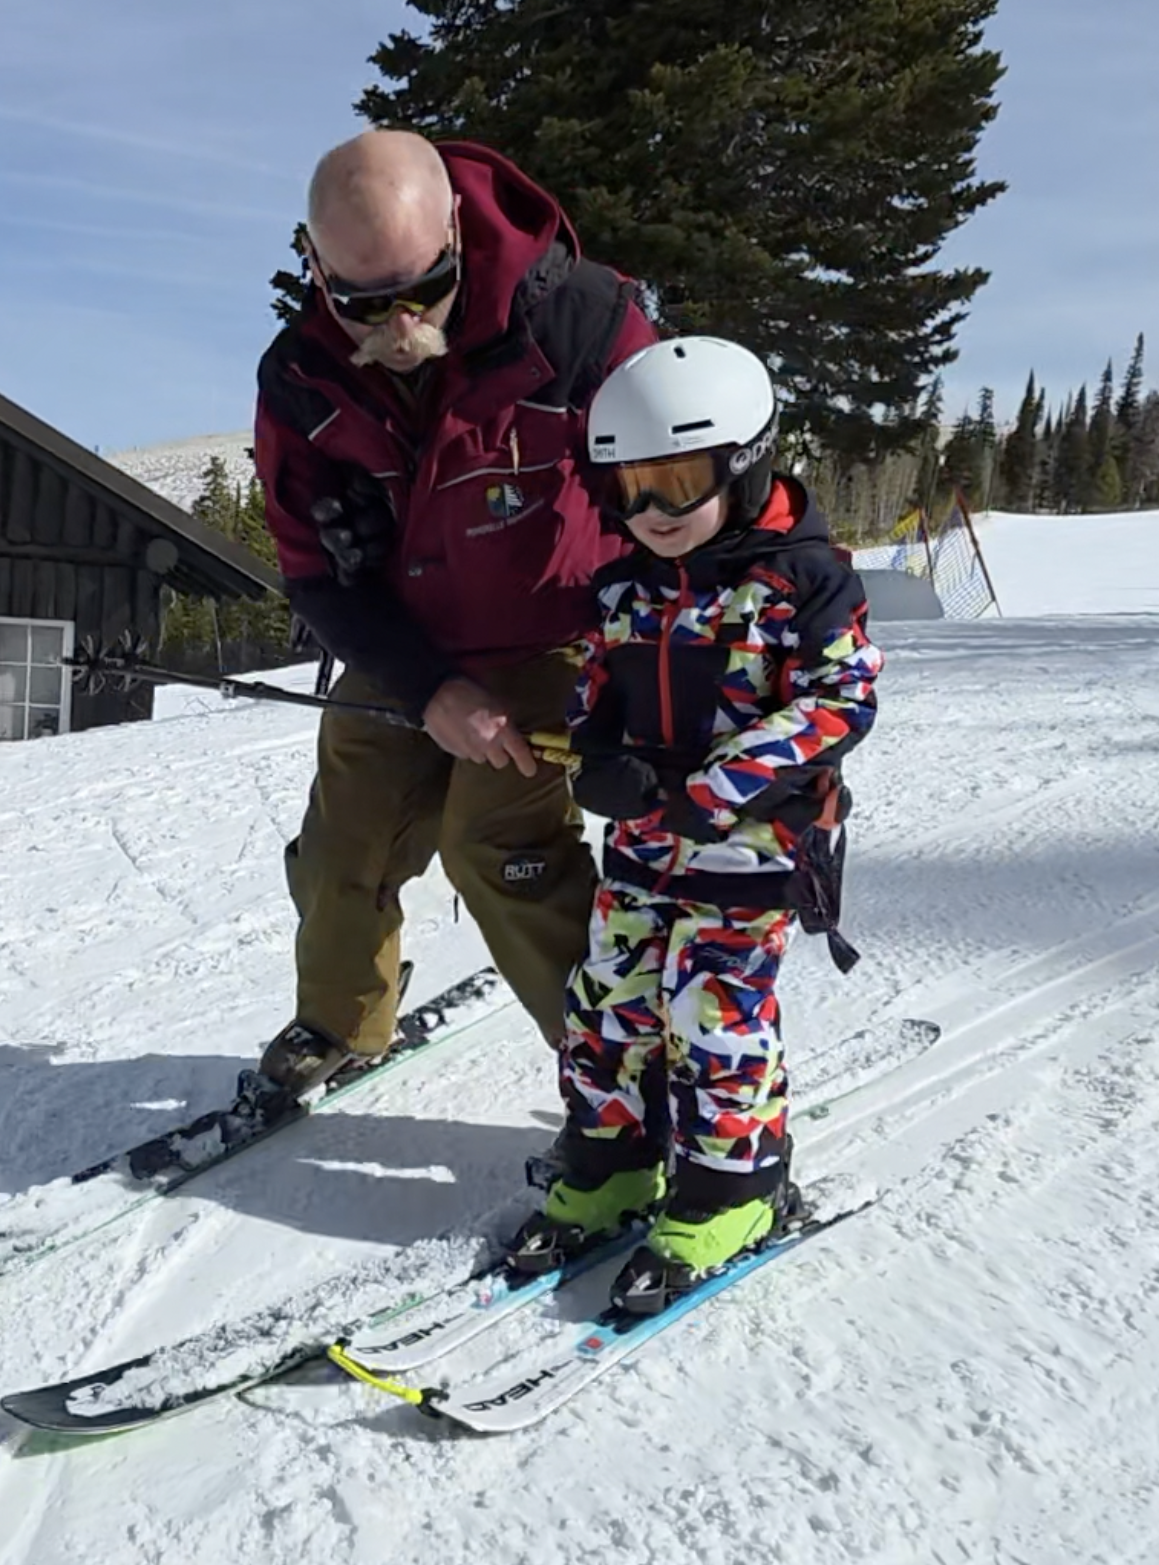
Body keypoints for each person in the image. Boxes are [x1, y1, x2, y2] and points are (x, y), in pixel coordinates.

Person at [247, 128, 657, 1103]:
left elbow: (678, 511)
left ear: (458, 235)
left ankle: (633, 1080)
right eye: (362, 302)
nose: (397, 323)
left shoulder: (582, 325)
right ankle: (343, 1017)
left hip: (568, 633)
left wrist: (640, 694)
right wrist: (430, 688)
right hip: (414, 642)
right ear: (316, 266)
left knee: (496, 846)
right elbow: (312, 574)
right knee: (345, 827)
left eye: (420, 291)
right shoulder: (301, 382)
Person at [505, 336, 881, 1313]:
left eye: (678, 484)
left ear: (747, 463)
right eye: (626, 489)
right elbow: (593, 692)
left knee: (708, 1014)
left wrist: (712, 790)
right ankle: (612, 1164)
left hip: (751, 854)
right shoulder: (625, 586)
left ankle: (733, 1190)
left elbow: (843, 700)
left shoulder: (806, 581)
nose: (651, 514)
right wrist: (602, 763)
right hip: (641, 853)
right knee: (609, 1000)